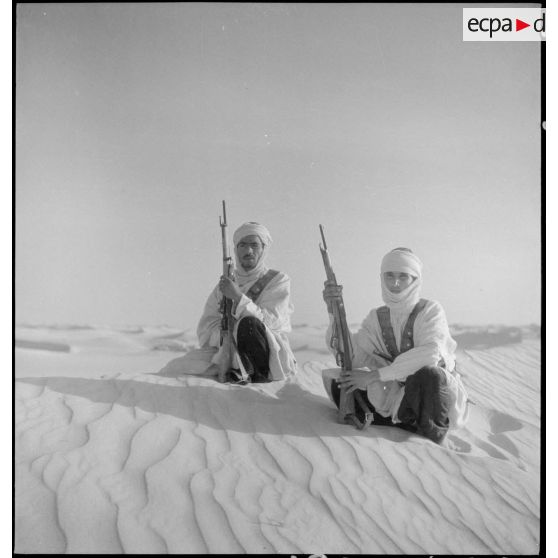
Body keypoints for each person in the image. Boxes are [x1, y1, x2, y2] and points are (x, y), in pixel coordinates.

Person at [322, 247, 468, 444]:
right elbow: (352, 357)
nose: (396, 283)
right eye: (390, 276)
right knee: (340, 379)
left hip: (432, 394)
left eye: (403, 276)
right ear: (382, 278)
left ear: (415, 280)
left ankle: (432, 439)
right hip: (394, 395)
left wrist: (374, 376)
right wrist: (334, 310)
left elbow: (430, 353)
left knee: (429, 375)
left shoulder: (430, 311)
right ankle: (398, 420)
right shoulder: (376, 318)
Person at [197, 222, 297, 383]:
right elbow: (206, 326)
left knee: (249, 324)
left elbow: (272, 321)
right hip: (225, 350)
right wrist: (226, 335)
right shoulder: (226, 284)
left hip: (267, 352)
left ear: (264, 249)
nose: (248, 251)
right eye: (242, 245)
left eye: (254, 245)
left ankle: (256, 376)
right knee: (178, 367)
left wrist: (238, 298)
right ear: (236, 249)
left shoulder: (277, 280)